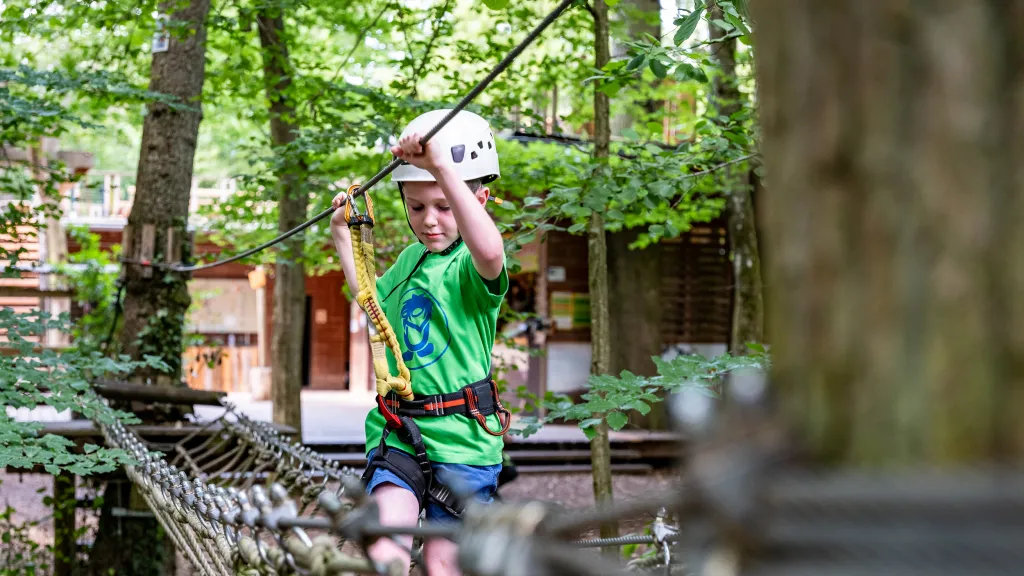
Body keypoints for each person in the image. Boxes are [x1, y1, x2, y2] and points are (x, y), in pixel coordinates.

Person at [329, 109, 510, 576]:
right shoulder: (411, 260)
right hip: (401, 433)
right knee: (386, 552)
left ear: (479, 199)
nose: (430, 221)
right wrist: (340, 234)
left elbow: (491, 252)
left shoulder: (471, 267)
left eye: (445, 206)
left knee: (442, 566)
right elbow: (371, 301)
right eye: (417, 207)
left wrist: (442, 169)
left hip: (464, 444)